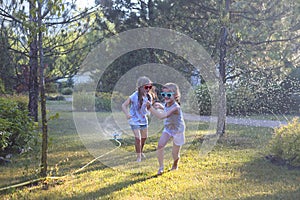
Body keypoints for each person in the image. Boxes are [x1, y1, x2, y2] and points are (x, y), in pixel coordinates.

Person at [148, 83, 185, 175]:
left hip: (178, 131)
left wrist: (150, 108)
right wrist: (161, 106)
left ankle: (175, 163)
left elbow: (162, 116)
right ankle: (161, 167)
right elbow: (165, 108)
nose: (165, 97)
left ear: (176, 95)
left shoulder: (176, 107)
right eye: (163, 94)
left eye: (168, 95)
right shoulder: (166, 104)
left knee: (174, 153)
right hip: (168, 129)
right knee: (160, 146)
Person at [121, 76, 157, 162]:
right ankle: (138, 157)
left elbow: (149, 109)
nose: (148, 89)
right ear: (140, 87)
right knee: (138, 138)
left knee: (144, 138)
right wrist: (127, 114)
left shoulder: (149, 96)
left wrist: (150, 106)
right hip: (134, 119)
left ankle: (140, 151)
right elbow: (123, 105)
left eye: (150, 87)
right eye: (146, 87)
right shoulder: (134, 96)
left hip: (143, 119)